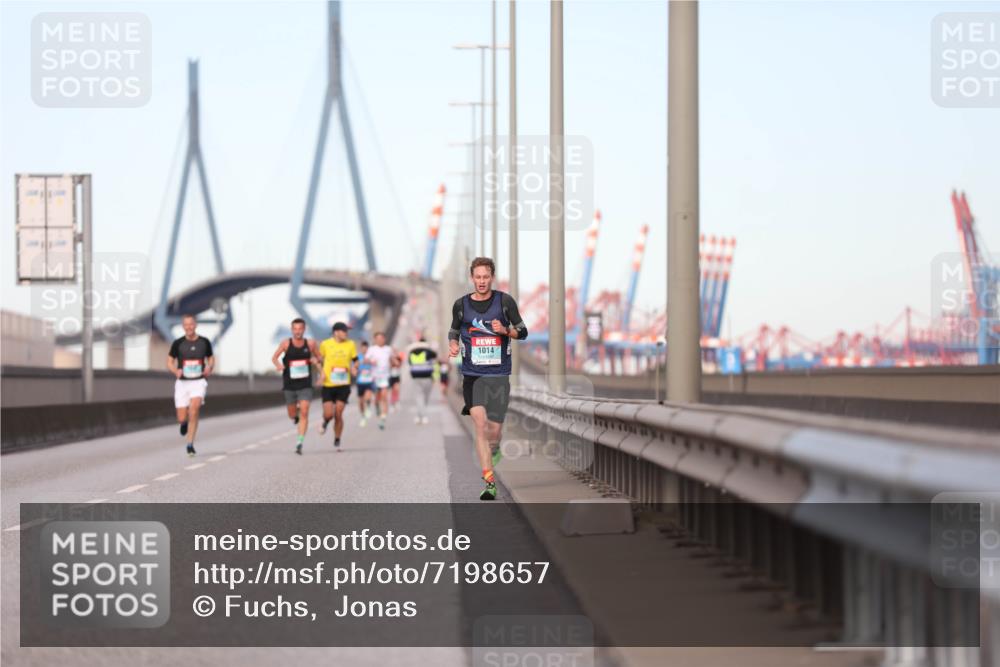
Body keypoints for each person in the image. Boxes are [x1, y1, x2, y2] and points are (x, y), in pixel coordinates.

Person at [449, 257, 528, 500]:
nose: (482, 281)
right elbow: (454, 330)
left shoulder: (505, 302)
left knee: (494, 431)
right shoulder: (461, 305)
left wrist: (505, 331)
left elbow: (523, 331)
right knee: (480, 426)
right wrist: (453, 343)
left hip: (498, 376)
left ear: (492, 277)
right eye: (478, 277)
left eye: (485, 277)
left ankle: (495, 448)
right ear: (472, 278)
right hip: (473, 375)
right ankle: (489, 482)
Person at [167, 314, 215, 457]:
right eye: (186, 325)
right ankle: (183, 423)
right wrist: (175, 371)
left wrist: (209, 367)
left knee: (194, 409)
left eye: (191, 324)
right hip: (182, 383)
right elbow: (169, 361)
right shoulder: (178, 343)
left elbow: (211, 358)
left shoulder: (204, 342)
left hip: (198, 381)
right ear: (183, 326)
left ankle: (190, 444)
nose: (189, 327)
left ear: (195, 325)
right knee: (182, 417)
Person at [271, 317, 320, 455]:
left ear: (304, 330)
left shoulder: (310, 344)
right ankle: (295, 415)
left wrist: (316, 359)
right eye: (295, 329)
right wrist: (279, 365)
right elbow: (274, 358)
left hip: (305, 384)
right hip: (290, 384)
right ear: (292, 330)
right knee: (292, 414)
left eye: (300, 329)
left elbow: (320, 357)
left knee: (305, 411)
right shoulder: (286, 343)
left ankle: (300, 442)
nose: (298, 331)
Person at [317, 322, 359, 450]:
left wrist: (354, 368)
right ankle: (325, 421)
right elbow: (318, 360)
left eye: (347, 331)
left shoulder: (351, 344)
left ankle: (337, 439)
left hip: (343, 384)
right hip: (328, 384)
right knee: (329, 414)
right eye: (344, 331)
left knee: (338, 413)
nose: (346, 333)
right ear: (336, 332)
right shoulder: (325, 344)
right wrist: (321, 373)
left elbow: (356, 360)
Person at [365, 331, 394, 431]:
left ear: (384, 339)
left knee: (384, 396)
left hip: (385, 376)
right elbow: (365, 360)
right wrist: (371, 361)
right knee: (377, 398)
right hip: (375, 377)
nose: (380, 340)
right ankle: (377, 407)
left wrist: (394, 363)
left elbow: (392, 359)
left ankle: (383, 417)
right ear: (375, 340)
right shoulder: (372, 349)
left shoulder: (388, 349)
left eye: (381, 338)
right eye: (378, 339)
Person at [406, 336, 438, 425]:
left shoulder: (411, 352)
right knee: (424, 397)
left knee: (419, 397)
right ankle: (423, 416)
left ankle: (419, 416)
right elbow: (435, 355)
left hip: (415, 377)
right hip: (427, 377)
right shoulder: (428, 352)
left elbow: (409, 363)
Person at [354, 340, 374, 427]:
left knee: (367, 397)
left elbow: (376, 364)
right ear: (361, 348)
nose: (364, 349)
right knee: (361, 402)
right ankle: (363, 416)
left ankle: (368, 407)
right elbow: (354, 367)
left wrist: (370, 362)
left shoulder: (371, 356)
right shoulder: (357, 357)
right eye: (363, 348)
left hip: (369, 381)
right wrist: (356, 369)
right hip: (360, 381)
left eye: (366, 348)